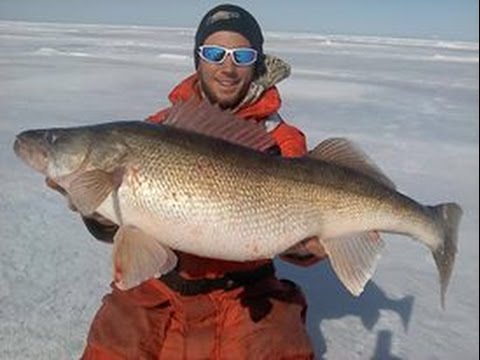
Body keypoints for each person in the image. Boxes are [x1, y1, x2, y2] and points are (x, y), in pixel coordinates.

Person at [80, 4, 327, 359]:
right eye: (214, 53)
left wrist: (308, 245)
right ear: (197, 59)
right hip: (157, 290)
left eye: (242, 55)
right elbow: (117, 224)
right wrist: (97, 210)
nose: (227, 68)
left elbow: (298, 234)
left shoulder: (280, 140)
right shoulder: (156, 130)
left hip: (247, 294)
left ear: (256, 63)